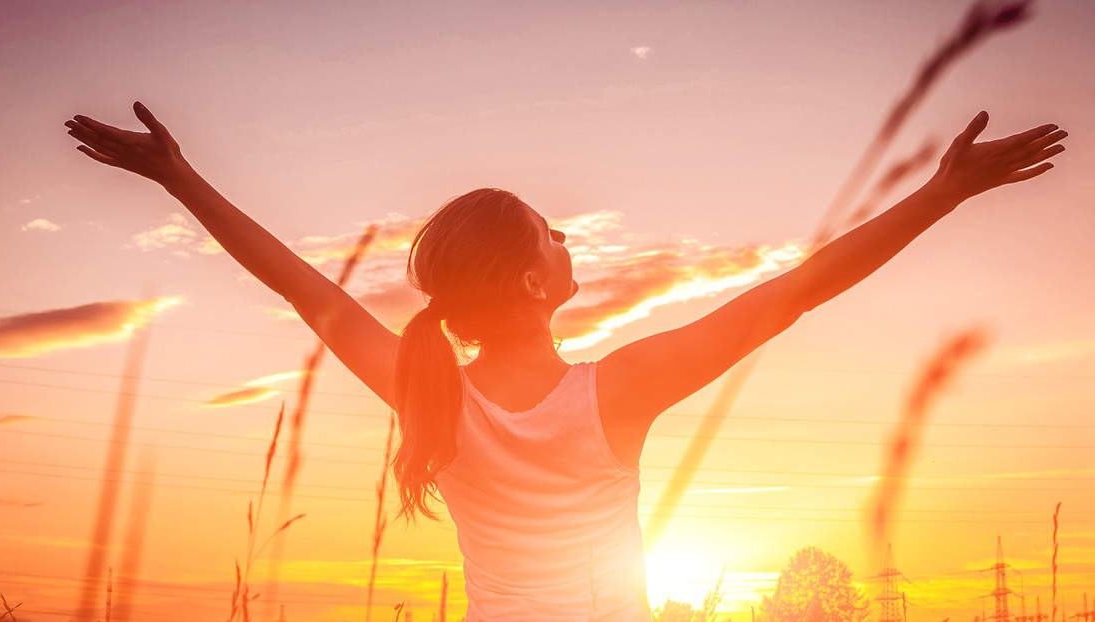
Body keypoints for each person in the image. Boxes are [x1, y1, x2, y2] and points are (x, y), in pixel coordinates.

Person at [65, 103, 1065, 620]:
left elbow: (304, 288)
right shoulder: (619, 389)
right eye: (552, 233)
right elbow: (793, 293)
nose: (567, 241)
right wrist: (942, 194)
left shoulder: (427, 392)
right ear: (535, 283)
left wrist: (180, 177)